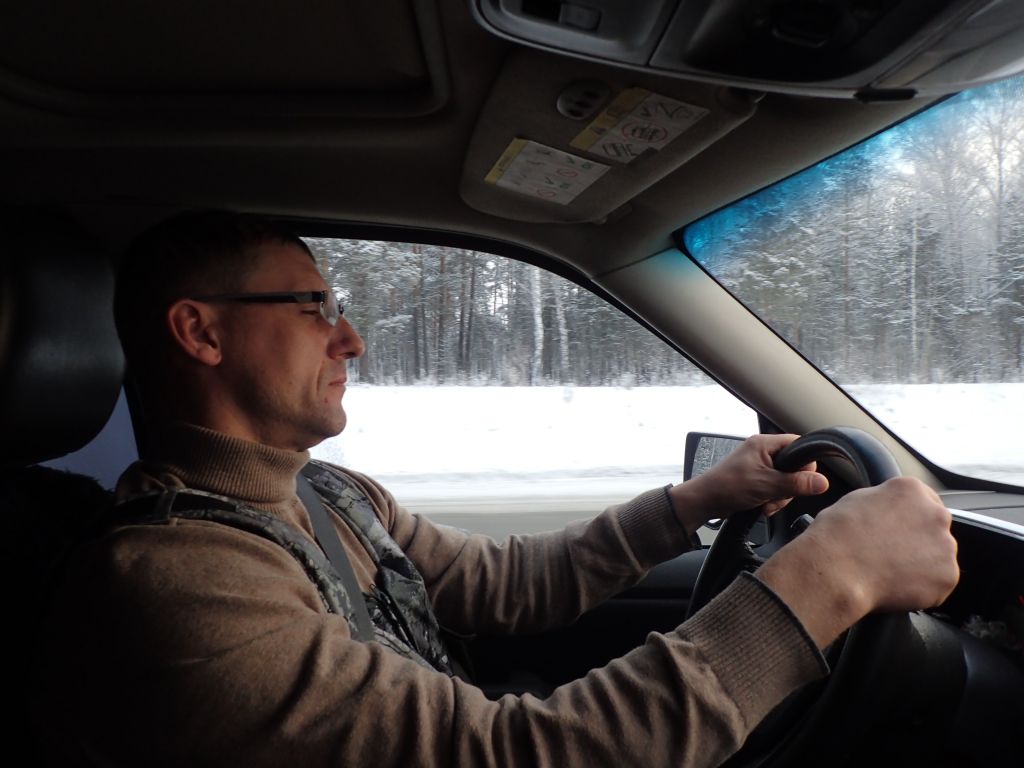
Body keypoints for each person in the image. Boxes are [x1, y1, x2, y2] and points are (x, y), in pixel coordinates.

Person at [37, 210, 959, 767]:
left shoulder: (329, 492)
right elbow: (518, 754)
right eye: (314, 306)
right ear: (201, 333)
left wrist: (696, 500)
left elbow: (506, 585)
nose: (350, 339)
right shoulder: (176, 581)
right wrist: (825, 582)